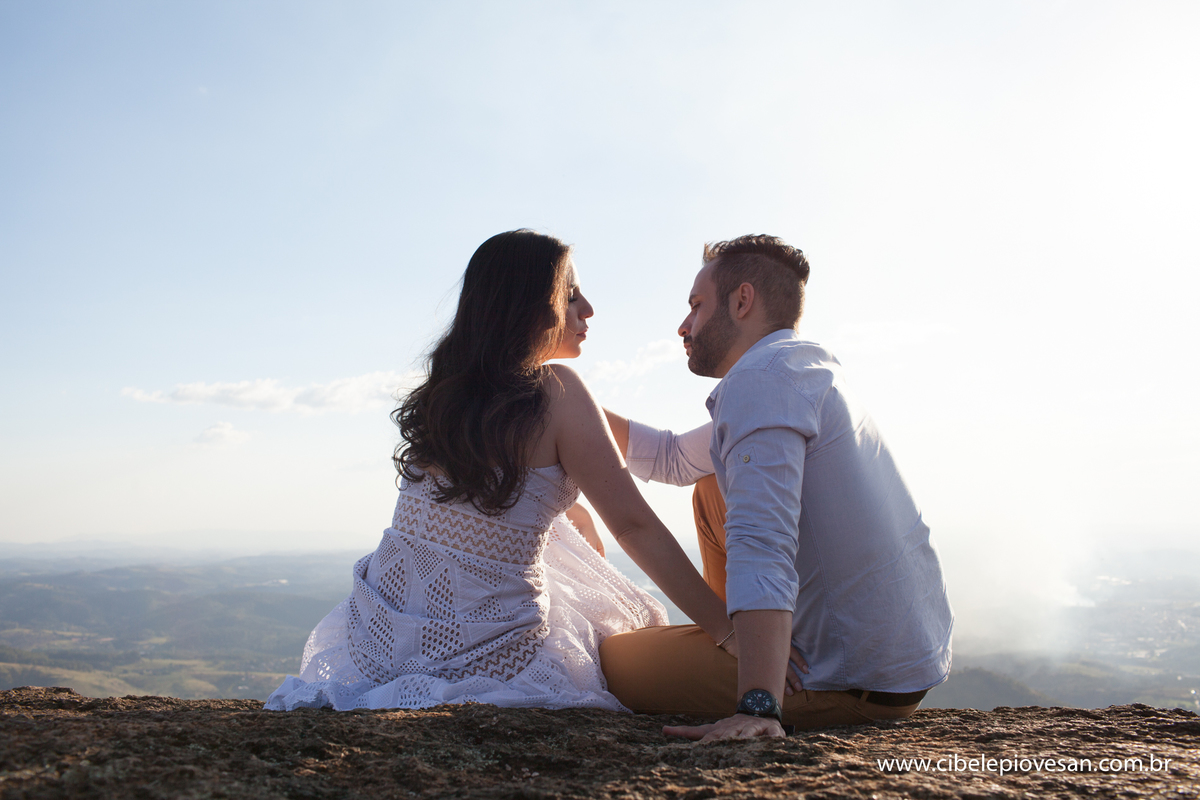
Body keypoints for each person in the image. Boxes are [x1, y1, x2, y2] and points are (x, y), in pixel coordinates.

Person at [265, 229, 735, 713]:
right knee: (614, 613)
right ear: (530, 306)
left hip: (378, 640)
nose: (588, 309)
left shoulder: (446, 393)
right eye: (570, 296)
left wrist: (570, 512)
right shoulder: (557, 391)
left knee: (561, 538)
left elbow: (491, 501)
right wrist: (727, 632)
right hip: (487, 655)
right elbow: (635, 525)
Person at [598, 234, 954, 739]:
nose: (684, 325)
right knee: (708, 492)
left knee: (607, 658)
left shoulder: (759, 381)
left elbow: (763, 540)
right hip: (895, 668)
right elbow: (672, 458)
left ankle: (760, 667)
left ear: (742, 301)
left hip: (837, 679)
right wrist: (566, 401)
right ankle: (744, 640)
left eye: (696, 306)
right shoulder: (799, 369)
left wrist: (757, 707)